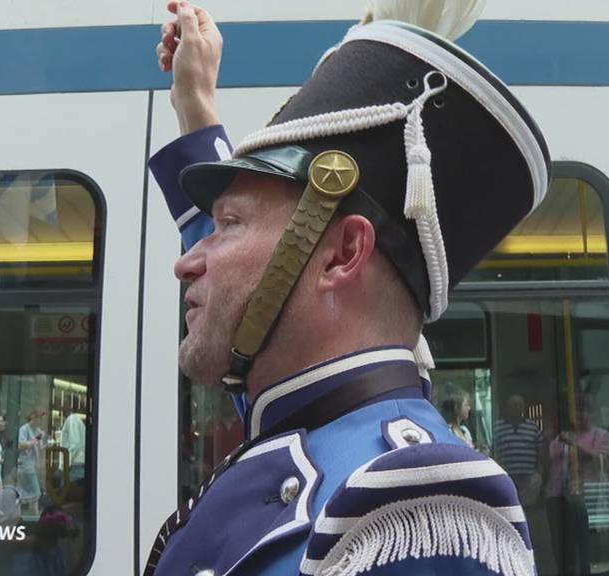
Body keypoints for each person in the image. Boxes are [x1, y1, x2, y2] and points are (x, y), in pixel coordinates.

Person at [144, 1, 552, 574]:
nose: (187, 263)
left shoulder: (402, 508)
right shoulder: (306, 412)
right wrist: (196, 108)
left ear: (341, 255)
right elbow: (260, 302)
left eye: (229, 226)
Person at [545, 394, 609, 576]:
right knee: (562, 543)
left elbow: (603, 460)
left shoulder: (601, 436)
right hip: (558, 495)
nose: (580, 416)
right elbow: (548, 461)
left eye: (584, 411)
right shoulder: (561, 439)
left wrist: (574, 446)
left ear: (592, 414)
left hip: (588, 496)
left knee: (586, 542)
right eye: (577, 412)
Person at [17, 410, 46, 515]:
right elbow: (21, 445)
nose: (40, 421)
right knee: (36, 492)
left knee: (27, 493)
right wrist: (38, 438)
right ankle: (35, 517)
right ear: (33, 417)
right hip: (25, 464)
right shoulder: (24, 429)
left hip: (33, 465)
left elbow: (38, 446)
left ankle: (25, 516)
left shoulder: (38, 430)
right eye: (39, 418)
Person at [60, 408, 85, 484]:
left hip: (75, 467)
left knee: (63, 492)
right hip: (76, 466)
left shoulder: (72, 420)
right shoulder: (74, 420)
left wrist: (65, 466)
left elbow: (75, 444)